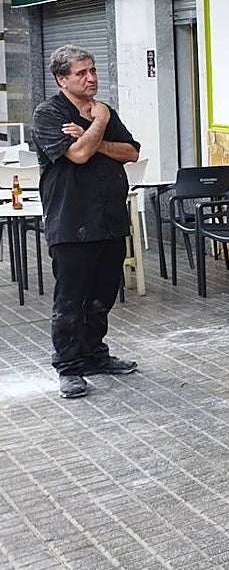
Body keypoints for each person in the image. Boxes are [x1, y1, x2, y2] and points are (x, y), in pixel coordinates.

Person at [33, 45, 141, 399]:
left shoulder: (106, 111)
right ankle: (69, 367)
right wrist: (98, 125)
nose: (92, 78)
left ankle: (95, 354)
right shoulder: (49, 114)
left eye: (93, 70)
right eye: (82, 73)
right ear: (62, 78)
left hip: (109, 219)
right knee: (71, 300)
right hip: (71, 221)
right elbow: (77, 156)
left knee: (102, 296)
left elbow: (131, 152)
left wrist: (96, 135)